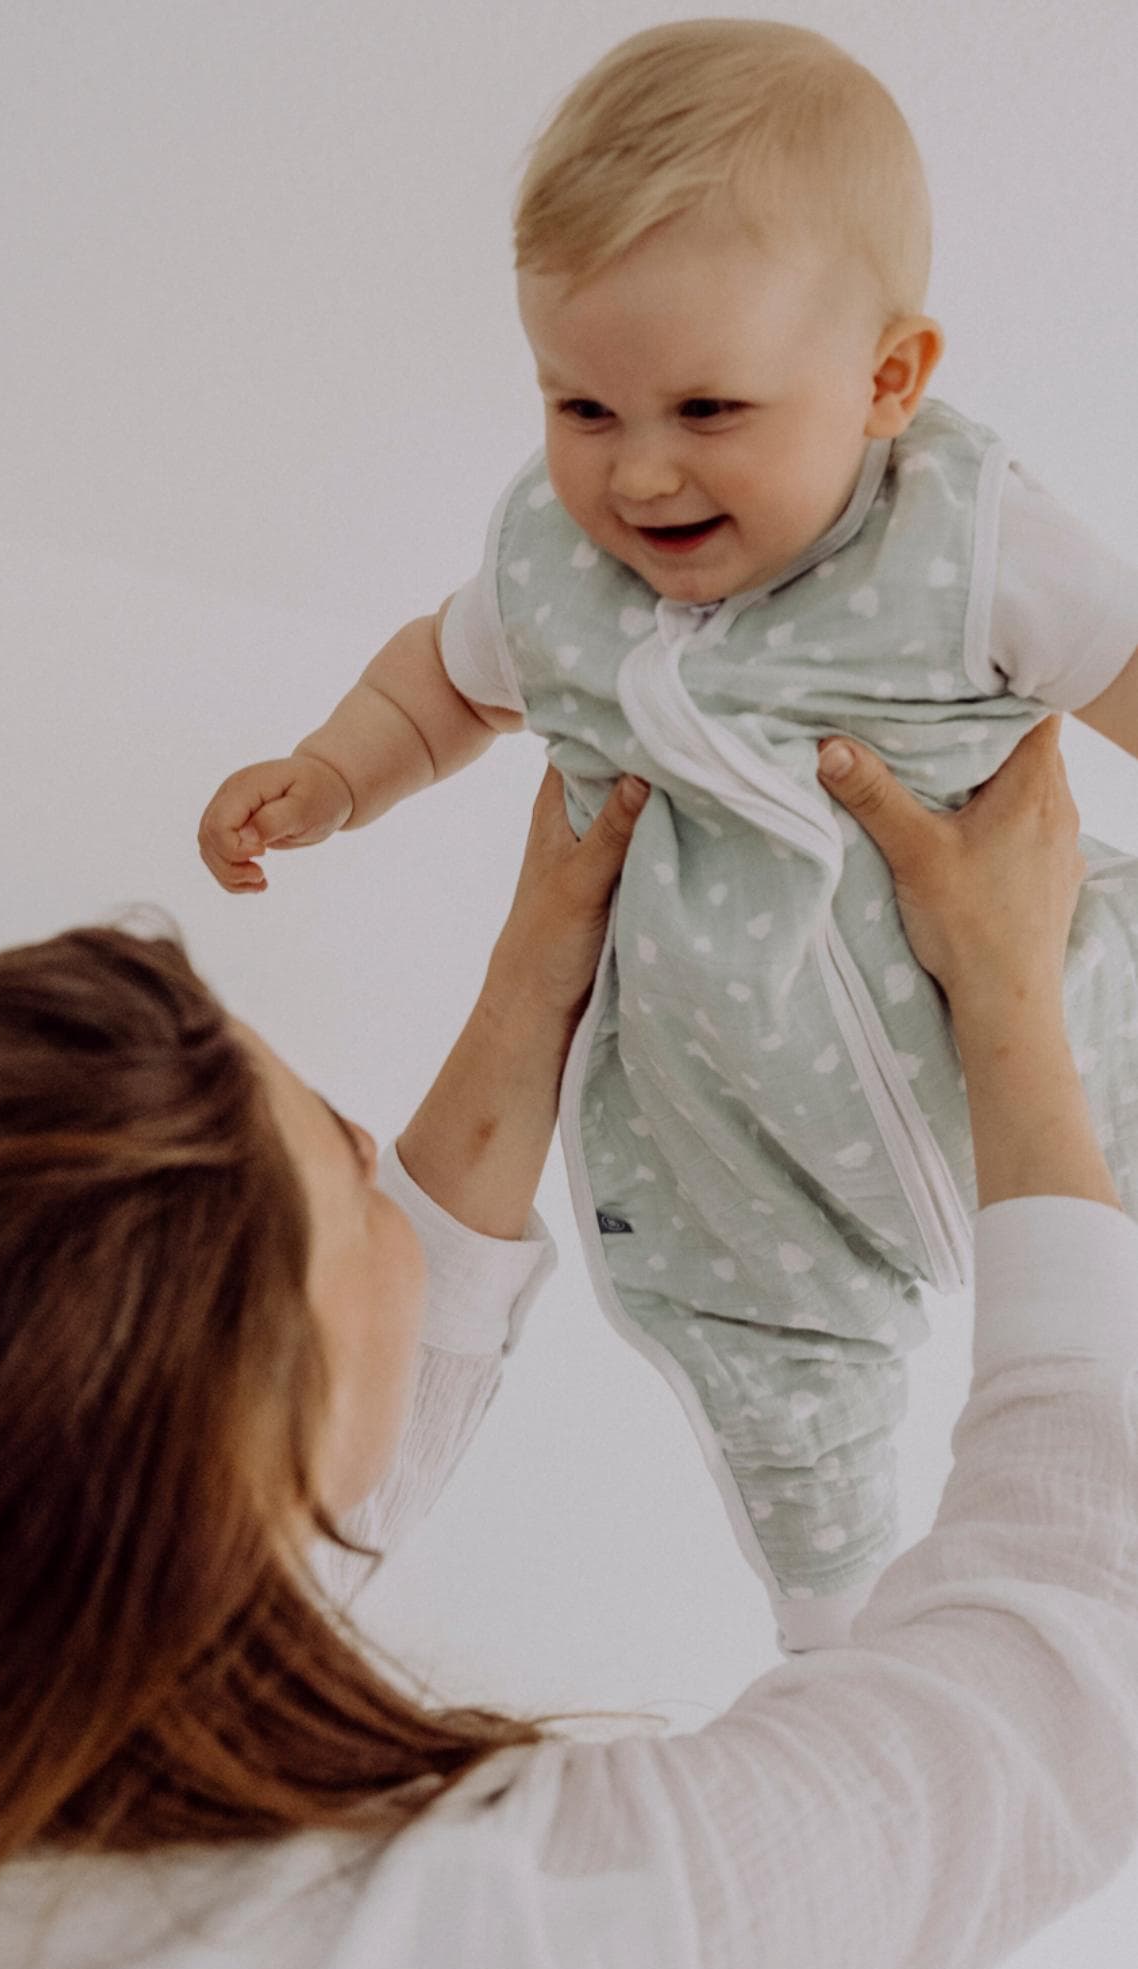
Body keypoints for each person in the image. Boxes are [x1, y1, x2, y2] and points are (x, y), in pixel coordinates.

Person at [0, 720, 1137, 1969]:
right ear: (245, 1435)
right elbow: (1067, 1654)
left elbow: (233, 1518)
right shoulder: (497, 1927)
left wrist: (535, 975)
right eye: (351, 1167)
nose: (387, 1188)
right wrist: (1009, 996)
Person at [196, 18, 1138, 1651]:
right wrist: (335, 773)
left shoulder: (961, 541)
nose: (634, 473)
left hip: (1067, 1043)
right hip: (732, 1123)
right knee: (761, 1362)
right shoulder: (548, 569)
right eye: (579, 405)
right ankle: (833, 1619)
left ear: (886, 382)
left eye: (708, 408)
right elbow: (442, 679)